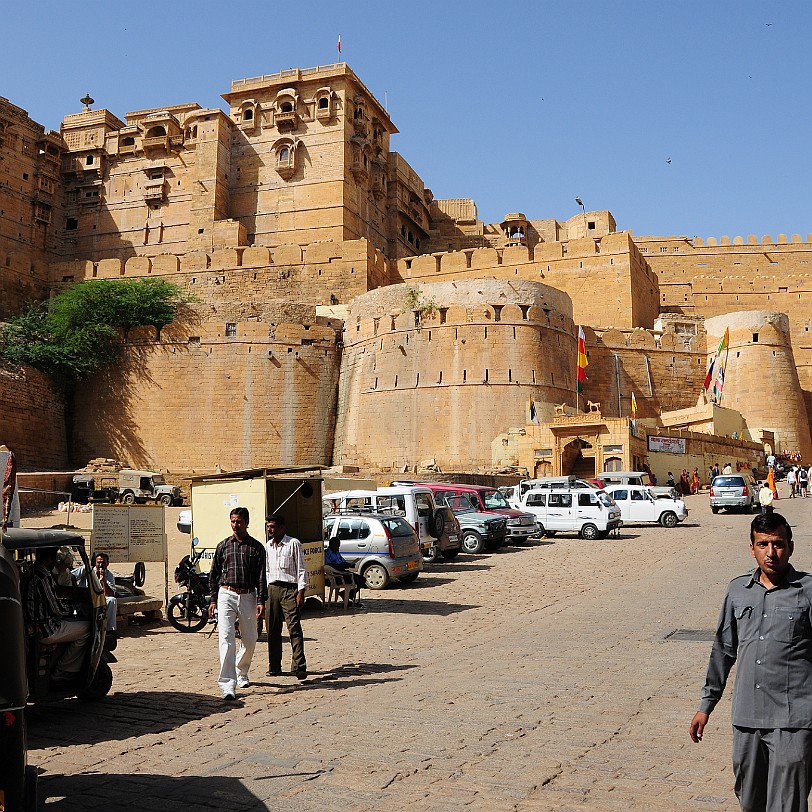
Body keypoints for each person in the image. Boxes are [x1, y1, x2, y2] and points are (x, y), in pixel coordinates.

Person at [689, 513, 812, 812]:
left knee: (787, 805)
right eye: (763, 544)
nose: (771, 553)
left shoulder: (808, 592)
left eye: (778, 544)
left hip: (793, 720)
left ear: (791, 547)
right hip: (747, 718)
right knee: (750, 800)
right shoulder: (737, 591)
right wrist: (706, 706)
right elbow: (723, 650)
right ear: (752, 547)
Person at [208, 507, 267, 700]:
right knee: (226, 639)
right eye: (233, 521)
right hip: (226, 594)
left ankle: (242, 671)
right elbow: (214, 574)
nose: (235, 525)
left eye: (239, 521)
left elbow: (261, 577)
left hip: (248, 595)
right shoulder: (223, 546)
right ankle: (227, 684)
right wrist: (213, 599)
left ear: (247, 522)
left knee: (250, 639)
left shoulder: (257, 548)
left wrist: (261, 601)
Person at [23, 547, 90, 681]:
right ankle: (63, 670)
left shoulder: (32, 572)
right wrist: (71, 610)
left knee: (71, 623)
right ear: (50, 559)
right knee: (87, 628)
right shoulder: (42, 577)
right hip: (45, 629)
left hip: (35, 624)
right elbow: (56, 608)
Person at [265, 513, 308, 680]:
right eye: (268, 527)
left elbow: (301, 569)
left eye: (273, 527)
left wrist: (301, 592)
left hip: (290, 590)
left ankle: (299, 666)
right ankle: (274, 666)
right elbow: (267, 570)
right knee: (272, 630)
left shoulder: (293, 544)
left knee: (294, 629)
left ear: (282, 528)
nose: (270, 529)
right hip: (272, 590)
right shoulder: (268, 546)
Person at [73, 551, 117, 634]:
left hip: (100, 598)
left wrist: (103, 580)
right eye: (98, 563)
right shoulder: (87, 570)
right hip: (86, 598)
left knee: (112, 600)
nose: (100, 565)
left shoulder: (109, 575)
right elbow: (72, 576)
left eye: (103, 563)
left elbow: (110, 594)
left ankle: (109, 630)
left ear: (107, 564)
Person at [324, 537, 364, 608]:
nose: (338, 547)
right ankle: (346, 596)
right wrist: (341, 566)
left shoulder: (337, 553)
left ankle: (346, 595)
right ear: (332, 544)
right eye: (337, 545)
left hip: (343, 572)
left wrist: (350, 564)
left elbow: (342, 561)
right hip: (336, 575)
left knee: (362, 579)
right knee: (356, 580)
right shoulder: (327, 553)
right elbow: (329, 565)